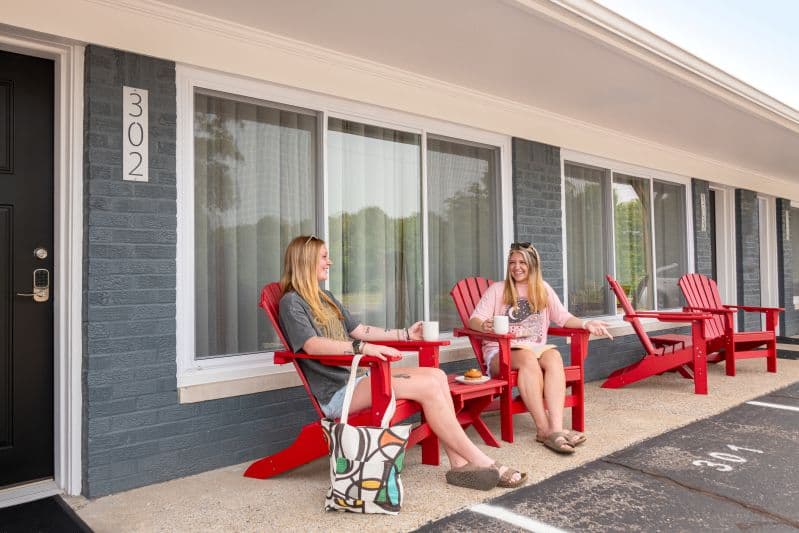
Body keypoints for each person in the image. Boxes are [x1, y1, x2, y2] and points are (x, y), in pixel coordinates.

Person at [278, 235, 526, 491]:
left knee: (436, 376)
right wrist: (362, 349)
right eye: (323, 256)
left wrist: (404, 334)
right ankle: (481, 461)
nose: (329, 262)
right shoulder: (292, 302)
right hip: (339, 394)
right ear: (305, 260)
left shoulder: (326, 297)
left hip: (359, 379)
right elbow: (312, 345)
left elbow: (360, 329)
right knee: (428, 388)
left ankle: (458, 464)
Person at [469, 242, 612, 454]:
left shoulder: (543, 289)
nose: (516, 267)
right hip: (501, 353)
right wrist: (484, 325)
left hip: (534, 350)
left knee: (553, 356)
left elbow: (563, 317)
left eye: (522, 262)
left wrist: (585, 324)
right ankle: (543, 429)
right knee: (527, 359)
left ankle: (555, 428)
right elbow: (474, 320)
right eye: (512, 262)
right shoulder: (498, 290)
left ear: (533, 265)